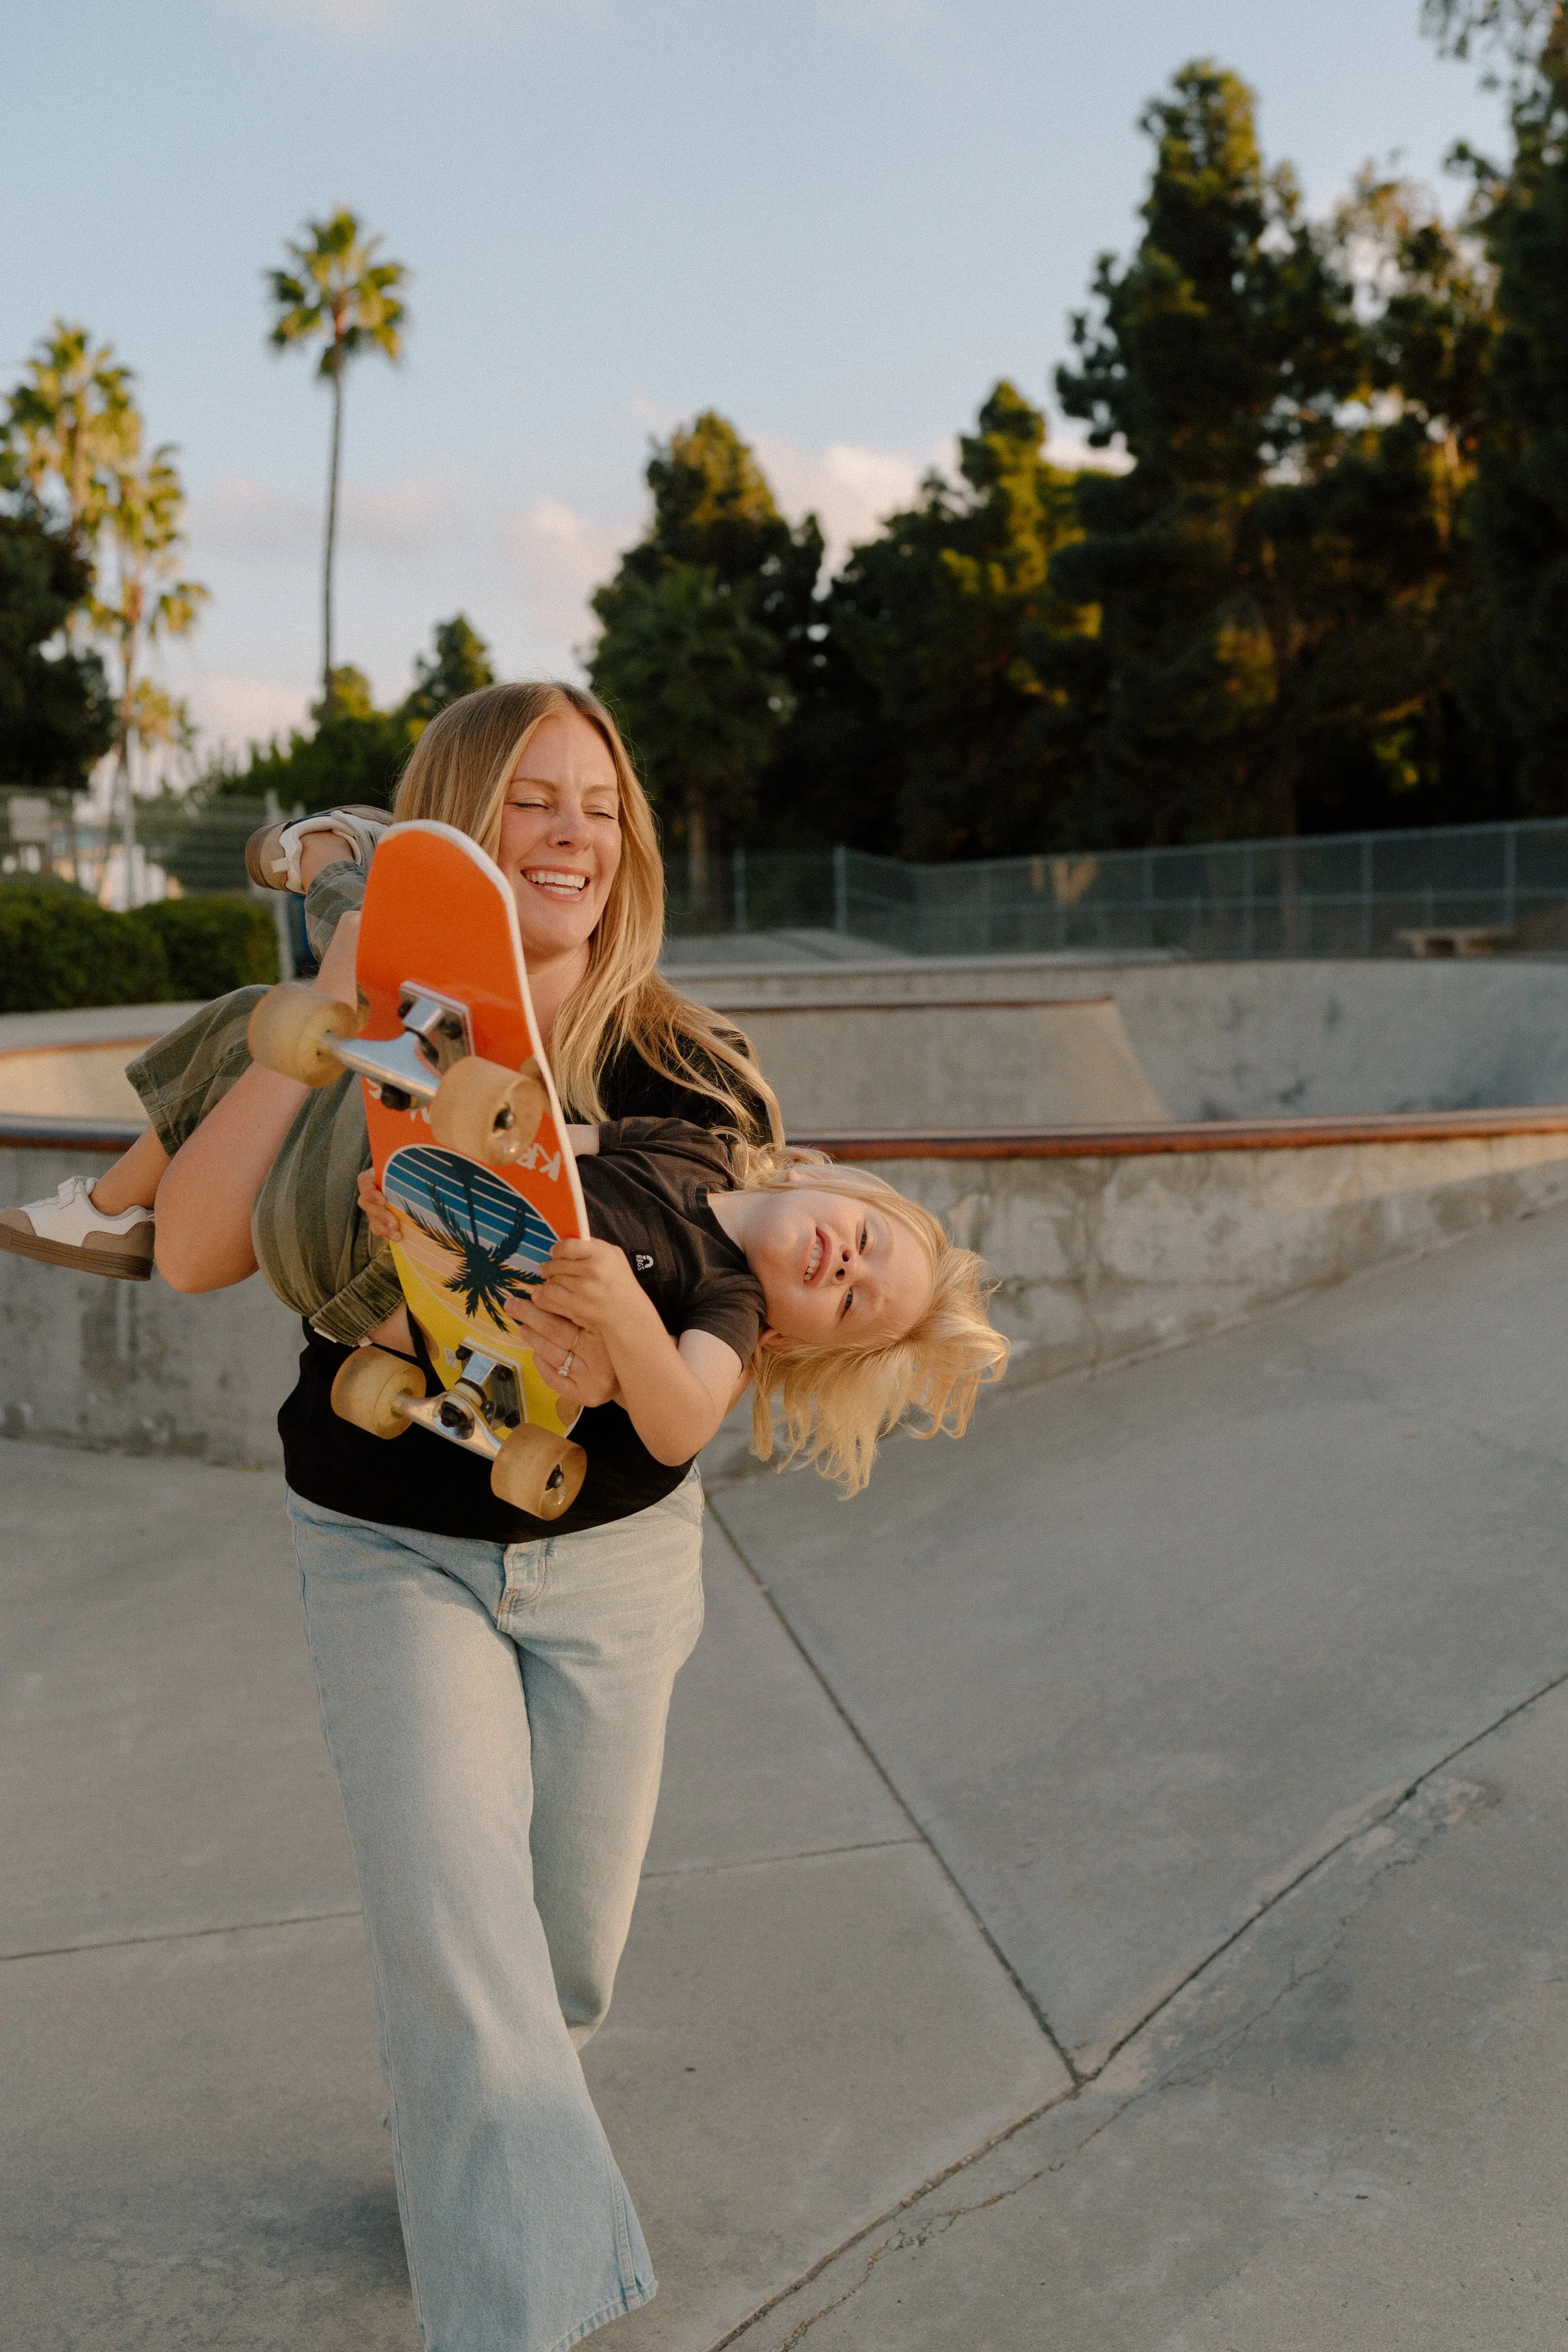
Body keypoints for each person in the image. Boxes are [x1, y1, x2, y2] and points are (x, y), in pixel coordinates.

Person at [0, 682, 999, 2352]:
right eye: (532, 798)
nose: (573, 834)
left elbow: (763, 1295)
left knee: (560, 1964)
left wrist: (621, 1330)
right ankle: (518, 2310)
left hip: (615, 1564)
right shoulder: (353, 1024)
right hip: (386, 1542)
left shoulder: (687, 1059)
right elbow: (189, 1252)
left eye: (600, 807)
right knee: (461, 1945)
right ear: (457, 816)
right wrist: (336, 987)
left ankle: (463, 2153)